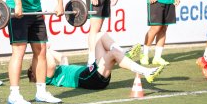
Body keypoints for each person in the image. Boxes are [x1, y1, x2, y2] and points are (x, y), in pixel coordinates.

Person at [27, 33, 164, 90]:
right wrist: (44, 50)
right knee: (112, 54)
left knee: (100, 35)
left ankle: (124, 54)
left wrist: (48, 49)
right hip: (86, 77)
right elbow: (50, 63)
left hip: (92, 74)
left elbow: (63, 58)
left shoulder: (59, 72)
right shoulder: (46, 78)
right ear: (36, 73)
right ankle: (145, 71)